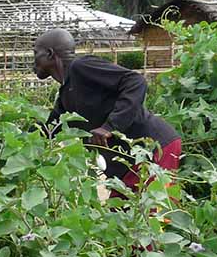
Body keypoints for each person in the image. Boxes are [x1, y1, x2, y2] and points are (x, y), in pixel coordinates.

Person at [33, 28, 180, 195]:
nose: (33, 60)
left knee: (153, 214)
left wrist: (109, 126)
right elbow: (49, 129)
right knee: (118, 217)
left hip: (154, 148)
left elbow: (135, 81)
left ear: (50, 54)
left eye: (36, 53)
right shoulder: (66, 93)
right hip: (128, 165)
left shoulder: (81, 67)